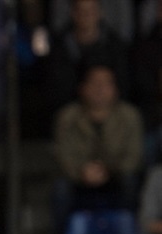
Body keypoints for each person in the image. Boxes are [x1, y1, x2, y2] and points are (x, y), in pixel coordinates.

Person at [52, 64, 144, 222]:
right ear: (82, 88)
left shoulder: (129, 116)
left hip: (116, 176)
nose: (100, 89)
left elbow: (134, 156)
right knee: (61, 189)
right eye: (94, 83)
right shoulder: (67, 117)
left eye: (106, 83)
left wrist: (108, 171)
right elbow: (63, 155)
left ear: (116, 89)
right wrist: (81, 173)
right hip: (79, 178)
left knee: (131, 182)